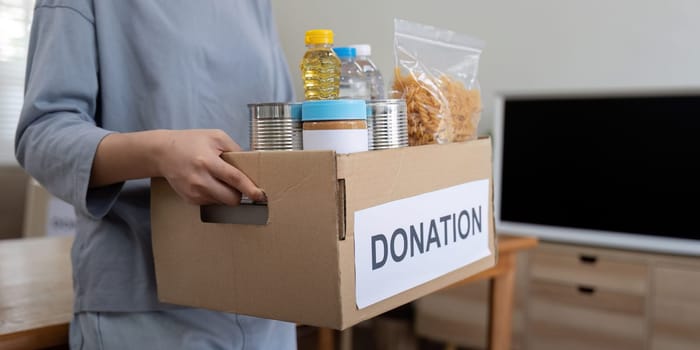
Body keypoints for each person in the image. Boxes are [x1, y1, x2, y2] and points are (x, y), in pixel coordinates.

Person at [15, 1, 296, 348]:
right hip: (146, 308)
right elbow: (41, 136)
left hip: (266, 301)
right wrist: (160, 153)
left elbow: (279, 127)